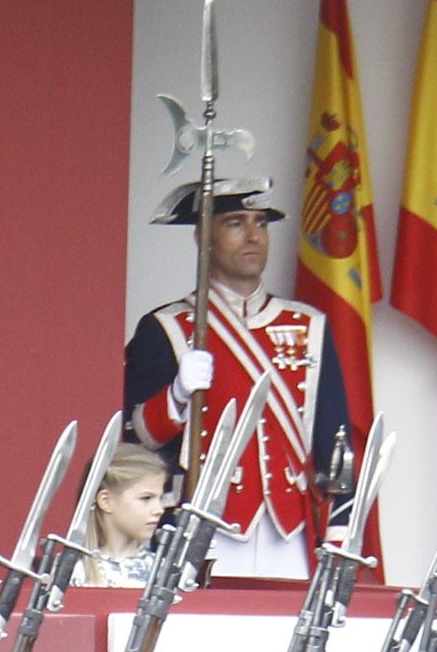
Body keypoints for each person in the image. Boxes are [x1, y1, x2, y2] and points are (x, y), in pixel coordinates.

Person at [121, 180, 350, 578]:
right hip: (203, 523)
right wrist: (175, 396)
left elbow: (336, 438)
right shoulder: (167, 327)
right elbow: (138, 440)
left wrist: (340, 528)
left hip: (289, 524)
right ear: (203, 236)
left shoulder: (308, 325)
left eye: (260, 223)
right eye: (235, 223)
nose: (252, 236)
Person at [67, 444, 169, 588]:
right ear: (106, 501)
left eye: (161, 498)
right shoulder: (73, 570)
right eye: (146, 498)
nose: (159, 509)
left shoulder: (162, 572)